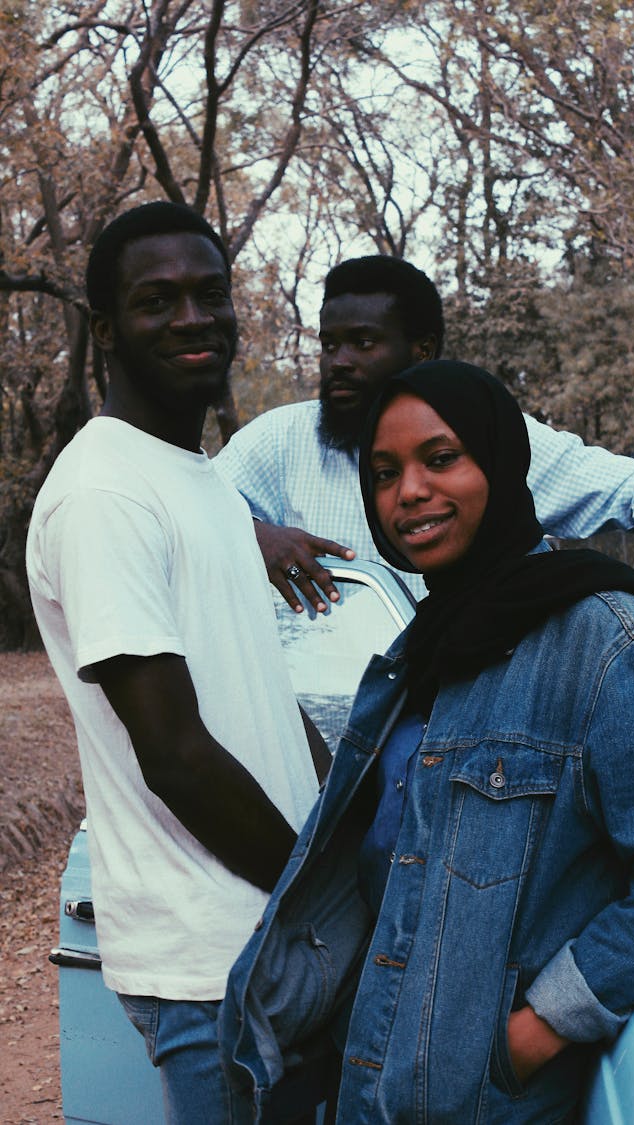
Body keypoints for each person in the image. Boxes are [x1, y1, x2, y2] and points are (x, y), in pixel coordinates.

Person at [219, 360, 634, 1124]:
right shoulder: (422, 648)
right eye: (385, 471)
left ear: (499, 461)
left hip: (488, 1104)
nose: (409, 492)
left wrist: (533, 1032)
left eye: (441, 459)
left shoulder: (609, 641)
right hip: (372, 1083)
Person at [26, 202, 324, 1124]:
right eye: (159, 301)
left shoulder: (196, 477)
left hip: (263, 941)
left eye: (211, 293)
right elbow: (174, 750)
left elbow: (260, 704)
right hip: (216, 964)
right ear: (108, 332)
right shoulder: (106, 493)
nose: (195, 318)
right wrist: (319, 891)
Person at [214, 255, 634, 614]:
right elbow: (183, 513)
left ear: (422, 351)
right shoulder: (282, 440)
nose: (338, 362)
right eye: (329, 345)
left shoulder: (486, 435)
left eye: (362, 343)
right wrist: (253, 535)